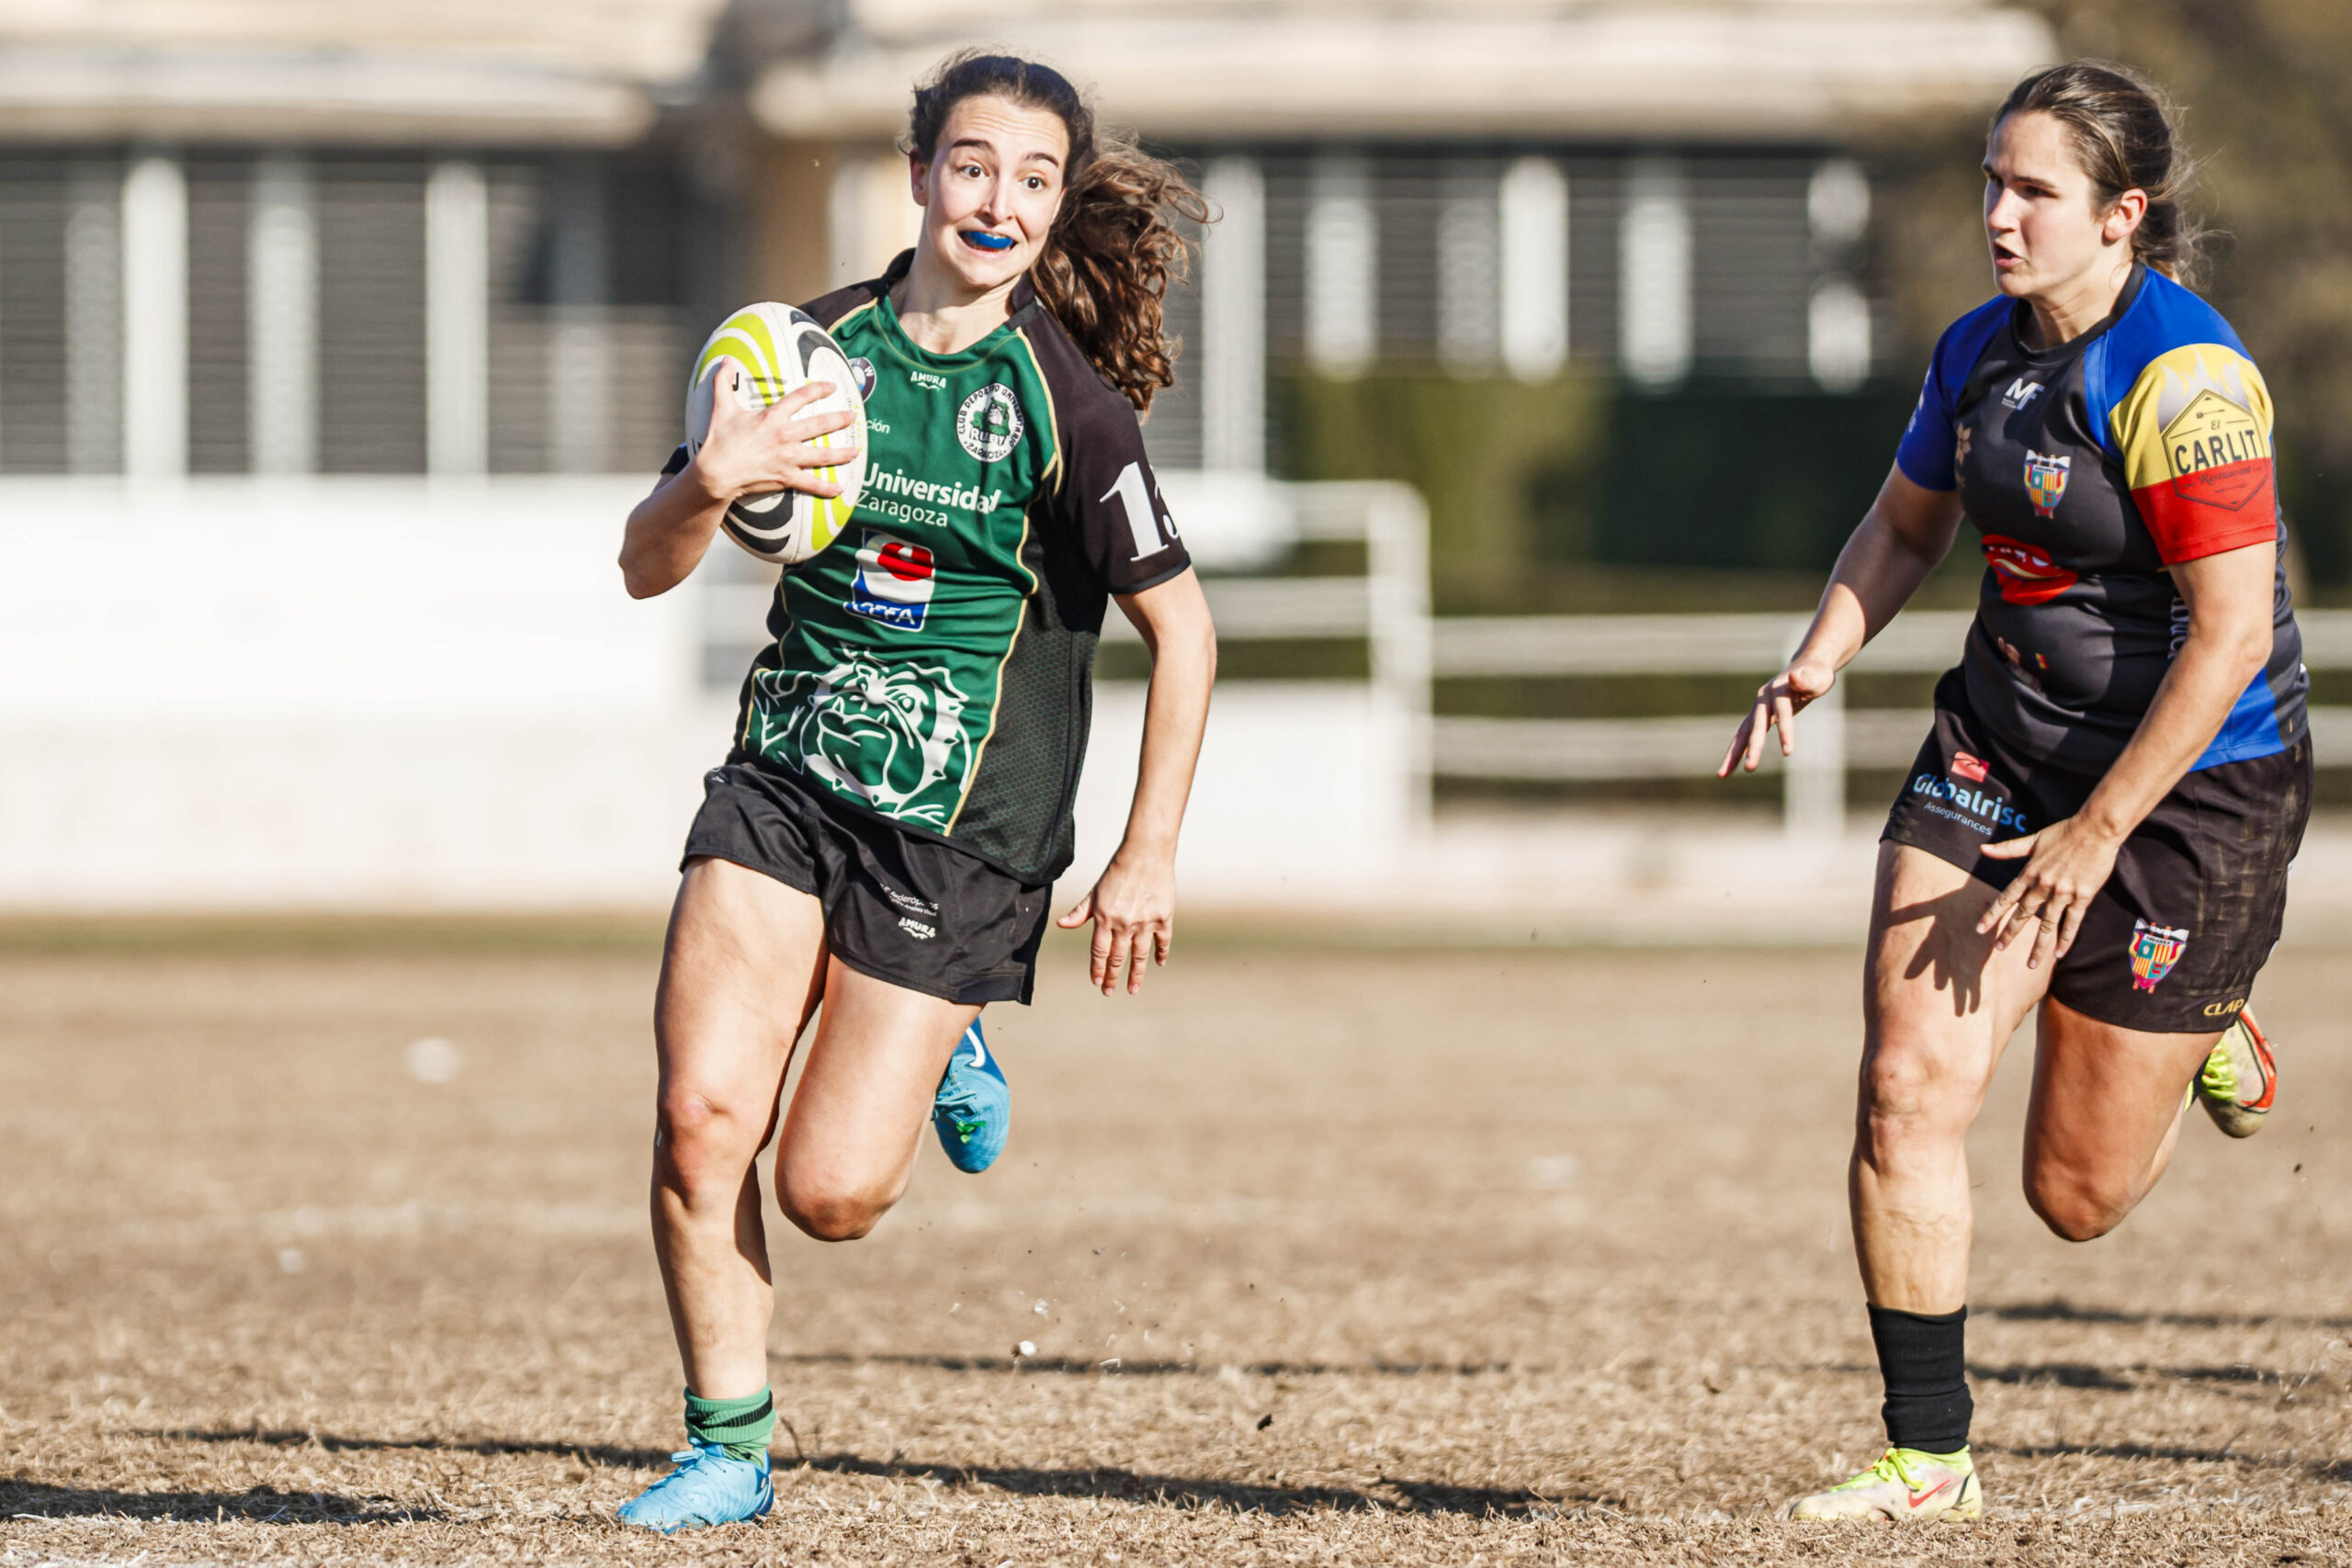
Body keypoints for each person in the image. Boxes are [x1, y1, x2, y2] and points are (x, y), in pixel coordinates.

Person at [610, 51, 1217, 1533]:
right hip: (787, 777)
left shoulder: (1069, 411)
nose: (996, 199)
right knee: (700, 1120)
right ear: (918, 173)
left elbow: (1185, 634)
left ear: (1060, 203)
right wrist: (712, 473)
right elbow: (643, 562)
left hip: (967, 832)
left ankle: (941, 1037)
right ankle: (728, 1444)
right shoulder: (802, 354)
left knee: (830, 1193)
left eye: (1032, 177)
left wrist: (1143, 856)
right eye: (970, 164)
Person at [1720, 61, 2308, 1524]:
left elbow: (2231, 635)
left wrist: (2100, 838)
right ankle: (1930, 1458)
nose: (1998, 212)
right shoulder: (1978, 351)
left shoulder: (2188, 378)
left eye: (2034, 190)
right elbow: (1906, 525)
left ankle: (2207, 1014)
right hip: (2001, 748)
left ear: (2124, 215)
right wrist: (1818, 657)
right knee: (1905, 1085)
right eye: (1992, 179)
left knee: (2077, 1199)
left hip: (2191, 793)